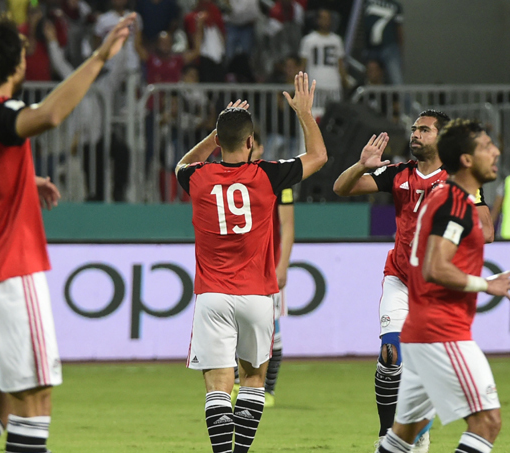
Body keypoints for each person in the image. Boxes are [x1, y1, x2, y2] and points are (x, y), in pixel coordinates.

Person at [0, 13, 136, 453]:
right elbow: (50, 115)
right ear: (15, 65)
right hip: (8, 277)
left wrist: (20, 181)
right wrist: (100, 57)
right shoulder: (1, 114)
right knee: (34, 401)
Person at [175, 72, 327, 453]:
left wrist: (215, 134)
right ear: (249, 142)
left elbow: (182, 164)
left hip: (212, 296)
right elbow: (319, 157)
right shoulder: (267, 175)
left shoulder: (198, 178)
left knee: (217, 386)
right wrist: (305, 114)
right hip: (258, 296)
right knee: (254, 380)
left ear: (219, 142)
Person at [332, 110, 494, 452]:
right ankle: (387, 432)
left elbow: (487, 230)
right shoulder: (399, 173)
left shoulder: (457, 180)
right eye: (415, 128)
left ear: (442, 137)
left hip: (436, 289)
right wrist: (362, 165)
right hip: (400, 280)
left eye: (424, 129)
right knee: (391, 355)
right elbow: (341, 188)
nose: (415, 134)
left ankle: (411, 434)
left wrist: (445, 224)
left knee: (425, 369)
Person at [375, 119, 510, 453]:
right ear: (468, 160)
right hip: (442, 331)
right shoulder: (454, 203)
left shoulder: (445, 195)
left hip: (420, 331)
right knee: (487, 423)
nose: (496, 151)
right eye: (487, 146)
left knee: (400, 438)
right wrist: (486, 284)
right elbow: (435, 266)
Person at [230, 131, 296, 408]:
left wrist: (282, 264)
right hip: (236, 267)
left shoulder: (277, 179)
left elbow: (288, 224)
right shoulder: (228, 178)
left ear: (258, 147)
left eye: (254, 146)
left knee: (272, 331)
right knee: (233, 327)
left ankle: (268, 390)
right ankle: (235, 382)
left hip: (267, 267)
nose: (251, 150)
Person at [299, 9, 348, 116]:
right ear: (317, 20)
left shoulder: (337, 40)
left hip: (334, 85)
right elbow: (303, 65)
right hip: (315, 85)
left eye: (328, 18)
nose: (326, 21)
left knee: (335, 115)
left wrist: (345, 82)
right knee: (314, 115)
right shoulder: (308, 40)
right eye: (323, 18)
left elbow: (340, 66)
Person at [363, 0, 404, 85]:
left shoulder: (396, 6)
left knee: (396, 79)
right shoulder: (369, 2)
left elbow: (398, 29)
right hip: (371, 47)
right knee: (370, 76)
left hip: (389, 46)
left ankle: (404, 98)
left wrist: (400, 51)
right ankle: (370, 97)